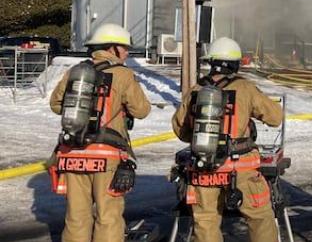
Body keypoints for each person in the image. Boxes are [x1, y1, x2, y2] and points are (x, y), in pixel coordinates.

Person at [172, 37, 283, 242]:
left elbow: (180, 128)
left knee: (205, 223)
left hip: (204, 169)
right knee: (260, 218)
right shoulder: (245, 88)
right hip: (240, 169)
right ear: (235, 64)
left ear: (211, 62)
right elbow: (275, 117)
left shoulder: (196, 90)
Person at [49, 23, 151, 242]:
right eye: (124, 48)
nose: (126, 53)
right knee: (108, 217)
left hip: (73, 154)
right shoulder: (123, 74)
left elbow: (56, 105)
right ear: (112, 48)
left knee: (76, 217)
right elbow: (142, 110)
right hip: (106, 156)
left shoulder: (75, 72)